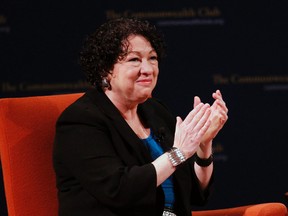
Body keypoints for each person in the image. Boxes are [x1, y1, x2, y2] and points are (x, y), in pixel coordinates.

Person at [53, 17, 228, 216]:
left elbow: (197, 194)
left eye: (152, 58)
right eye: (134, 60)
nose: (147, 69)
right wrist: (177, 153)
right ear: (106, 70)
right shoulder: (81, 121)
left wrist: (204, 144)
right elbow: (119, 191)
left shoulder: (155, 111)